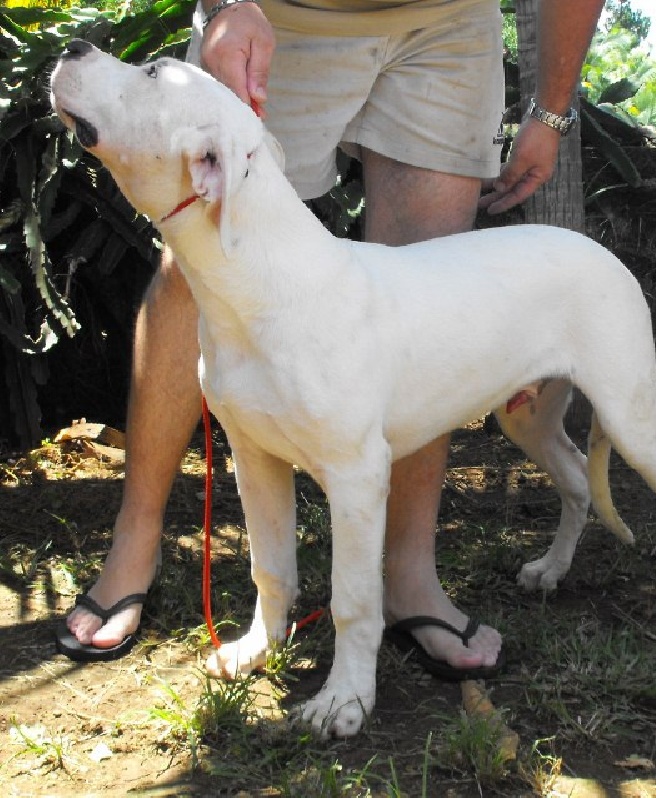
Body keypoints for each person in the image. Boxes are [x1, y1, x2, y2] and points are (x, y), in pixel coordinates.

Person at [57, 0, 605, 676]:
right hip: (286, 13)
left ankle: (410, 577)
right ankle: (134, 543)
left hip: (447, 22)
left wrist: (549, 111)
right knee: (198, 244)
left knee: (425, 293)